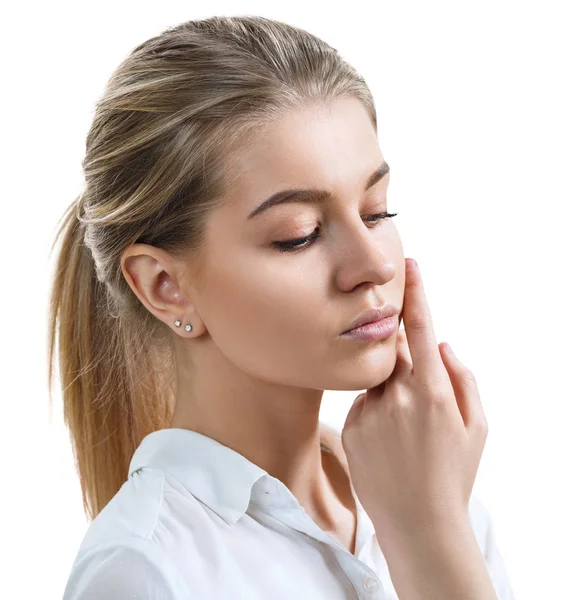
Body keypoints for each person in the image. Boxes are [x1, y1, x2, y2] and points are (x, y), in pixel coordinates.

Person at [49, 15, 516, 599]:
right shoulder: (145, 569)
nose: (373, 264)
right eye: (298, 235)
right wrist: (427, 539)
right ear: (166, 286)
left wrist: (433, 524)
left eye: (376, 212)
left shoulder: (435, 493)